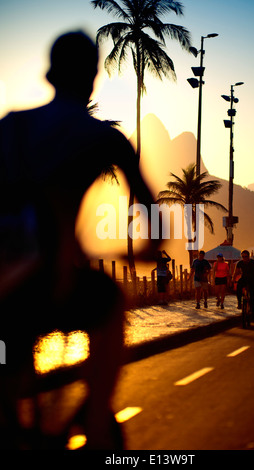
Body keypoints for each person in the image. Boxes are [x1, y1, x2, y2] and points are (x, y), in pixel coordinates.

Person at [0, 31, 161, 449]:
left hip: (5, 284)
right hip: (54, 284)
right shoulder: (103, 136)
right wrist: (144, 251)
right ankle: (94, 416)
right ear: (92, 77)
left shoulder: (11, 126)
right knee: (109, 303)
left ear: (50, 74)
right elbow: (149, 211)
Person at [233, 250, 254, 317]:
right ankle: (239, 302)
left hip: (252, 279)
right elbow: (235, 273)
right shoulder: (240, 263)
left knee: (253, 296)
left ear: (249, 256)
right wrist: (233, 279)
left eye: (246, 256)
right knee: (238, 287)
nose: (244, 258)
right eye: (243, 257)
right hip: (244, 278)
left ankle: (253, 311)